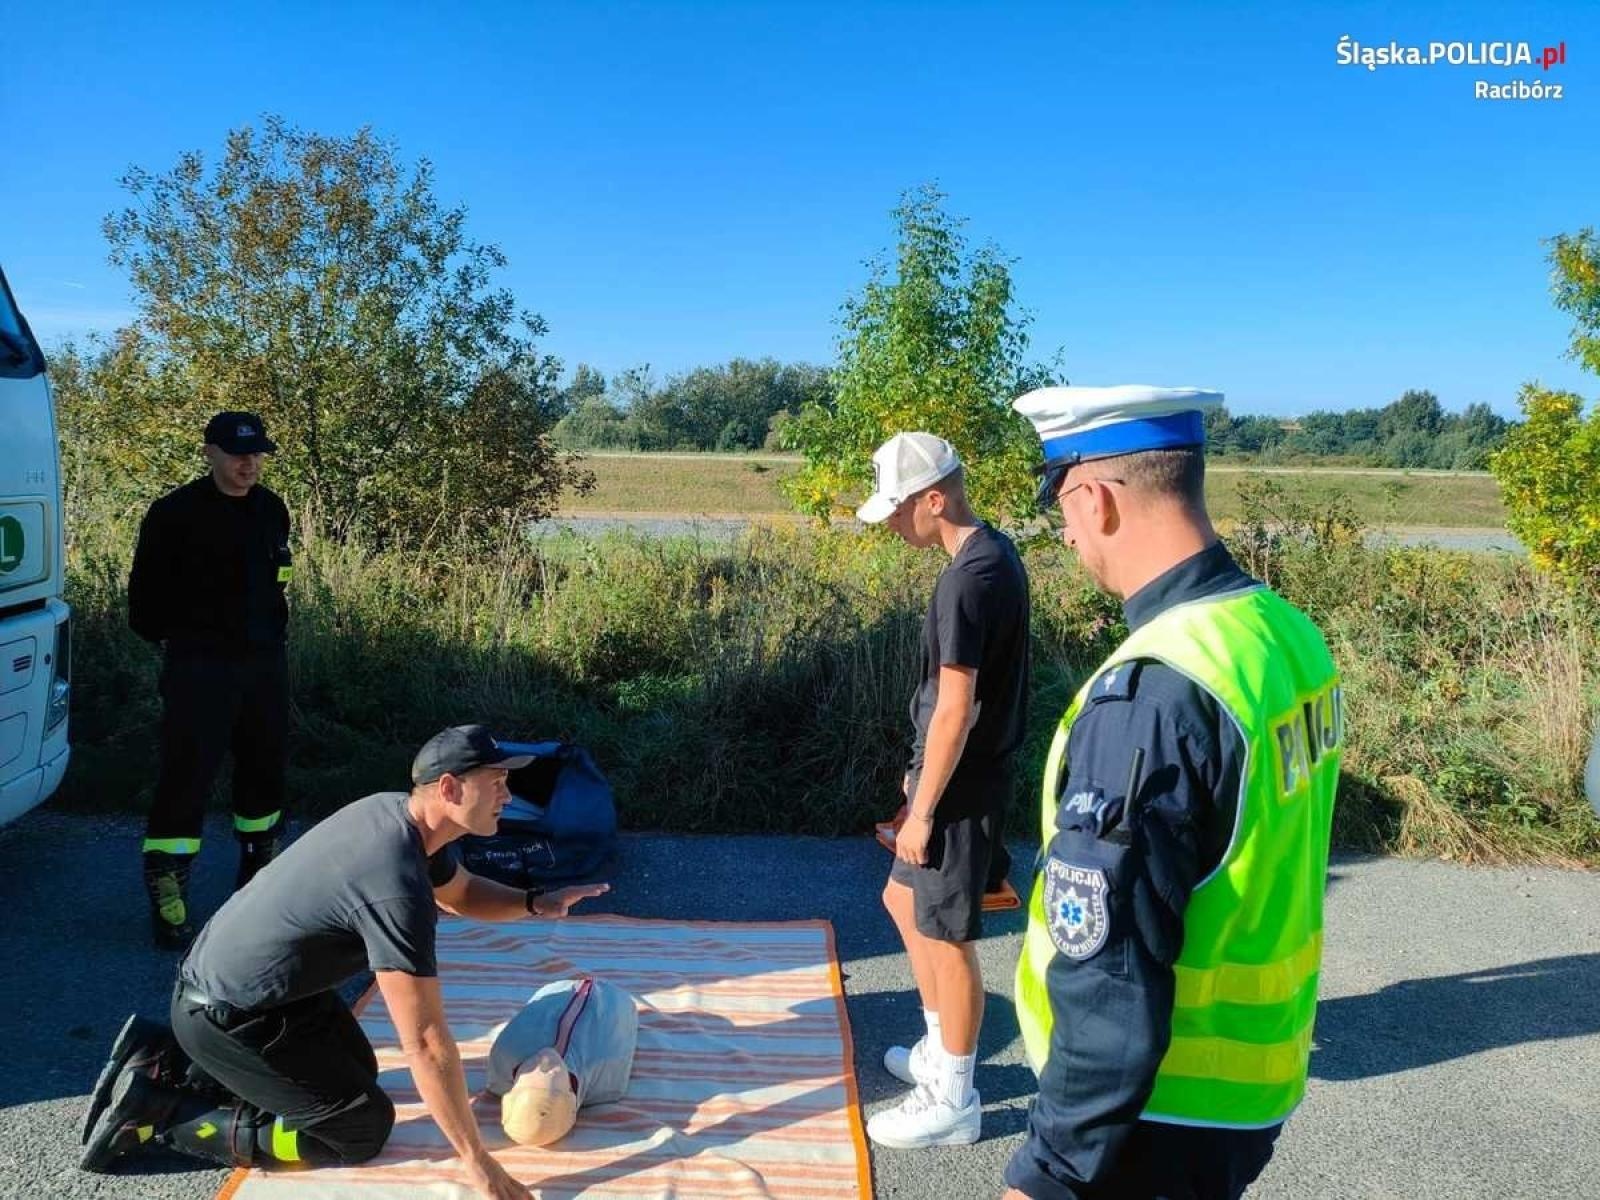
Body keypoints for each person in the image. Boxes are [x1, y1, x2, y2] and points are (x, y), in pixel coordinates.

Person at [1003, 386, 1343, 1200]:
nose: (1070, 534)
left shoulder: (1154, 693)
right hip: (1250, 1085)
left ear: (1097, 498)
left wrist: (1047, 1173)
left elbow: (1109, 975)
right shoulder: (1283, 631)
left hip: (1152, 1117)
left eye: (1066, 511)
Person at [80, 724, 610, 1200]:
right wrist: (478, 1164)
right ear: (450, 789)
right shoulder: (394, 884)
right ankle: (161, 1113)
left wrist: (538, 901)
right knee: (359, 1129)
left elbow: (463, 891)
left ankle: (163, 1056)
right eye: (497, 784)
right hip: (229, 1015)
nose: (508, 796)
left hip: (264, 997)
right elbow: (424, 1041)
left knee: (361, 1074)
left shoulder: (398, 815)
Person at [854, 432, 1030, 1150]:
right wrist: (917, 770)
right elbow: (948, 702)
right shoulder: (991, 552)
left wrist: (923, 808)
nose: (892, 524)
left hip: (960, 786)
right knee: (902, 899)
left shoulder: (969, 578)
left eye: (897, 510)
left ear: (935, 498)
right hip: (945, 772)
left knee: (946, 933)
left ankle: (954, 1097)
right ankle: (937, 1049)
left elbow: (959, 704)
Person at [127, 410, 294, 950]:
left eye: (256, 454)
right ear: (210, 453)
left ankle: (257, 882)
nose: (249, 464)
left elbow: (278, 585)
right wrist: (191, 640)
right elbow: (144, 607)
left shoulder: (272, 510)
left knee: (264, 770)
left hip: (263, 665)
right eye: (237, 453)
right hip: (200, 667)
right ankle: (169, 888)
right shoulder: (174, 515)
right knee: (188, 773)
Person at [485, 977, 639, 1146]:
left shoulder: (504, 1055)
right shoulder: (607, 1076)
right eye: (551, 1074)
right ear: (571, 1097)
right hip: (612, 997)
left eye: (530, 1071)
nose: (544, 1062)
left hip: (554, 989)